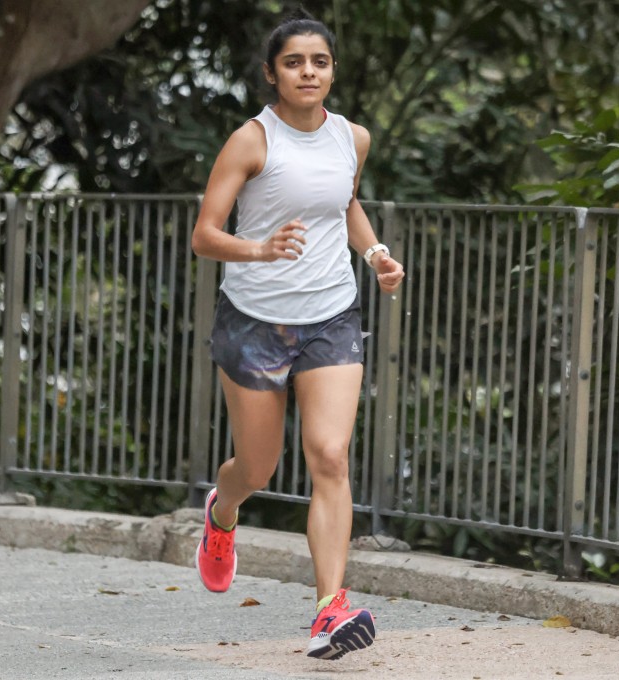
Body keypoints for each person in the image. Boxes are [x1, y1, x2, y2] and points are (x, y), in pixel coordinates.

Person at [190, 7, 404, 661]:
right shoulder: (252, 141)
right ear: (272, 74)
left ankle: (328, 610)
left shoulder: (353, 138)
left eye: (319, 61)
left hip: (331, 316)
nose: (307, 71)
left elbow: (344, 204)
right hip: (254, 322)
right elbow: (204, 234)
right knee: (258, 467)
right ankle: (222, 512)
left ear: (332, 70)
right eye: (293, 62)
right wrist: (260, 250)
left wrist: (373, 255)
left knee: (330, 455)